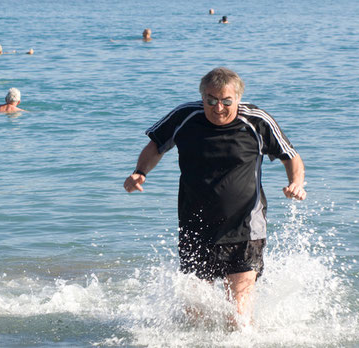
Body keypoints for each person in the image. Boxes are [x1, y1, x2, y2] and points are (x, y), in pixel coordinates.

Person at [124, 67, 306, 327]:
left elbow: (291, 156)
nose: (217, 107)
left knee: (238, 318)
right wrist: (140, 172)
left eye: (225, 101)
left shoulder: (257, 121)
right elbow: (156, 145)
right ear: (202, 97)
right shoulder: (185, 116)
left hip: (244, 227)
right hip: (195, 226)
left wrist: (295, 183)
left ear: (238, 99)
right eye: (210, 100)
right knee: (195, 318)